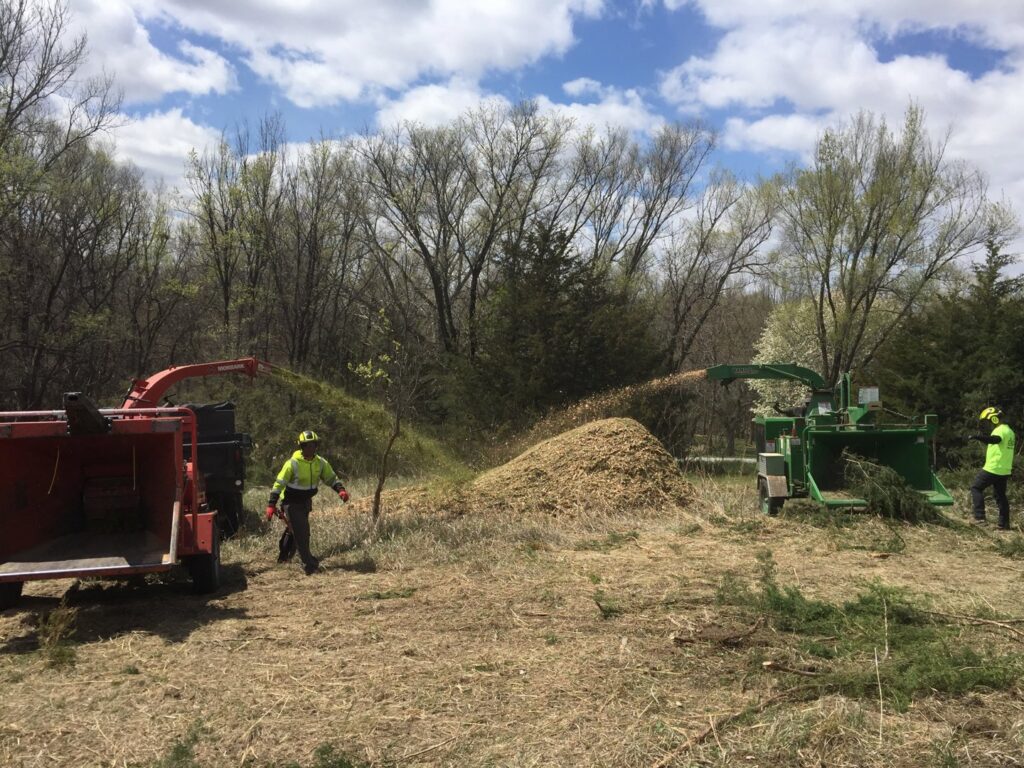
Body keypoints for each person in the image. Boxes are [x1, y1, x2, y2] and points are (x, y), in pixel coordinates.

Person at [265, 430, 349, 574]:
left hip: (305, 502)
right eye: (306, 446)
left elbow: (331, 478)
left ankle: (284, 557)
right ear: (301, 447)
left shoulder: (321, 463)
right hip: (291, 502)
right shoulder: (292, 463)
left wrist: (340, 490)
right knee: (302, 533)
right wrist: (271, 505)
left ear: (316, 446)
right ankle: (309, 565)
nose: (310, 448)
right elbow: (279, 483)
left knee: (294, 530)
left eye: (312, 445)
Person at [968, 407, 1015, 530]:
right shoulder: (1010, 431)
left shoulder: (1000, 430)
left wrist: (978, 437)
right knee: (1000, 496)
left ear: (994, 419)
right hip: (1005, 469)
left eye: (988, 421)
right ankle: (1004, 524)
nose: (988, 424)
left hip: (993, 468)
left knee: (976, 487)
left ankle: (980, 518)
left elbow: (995, 440)